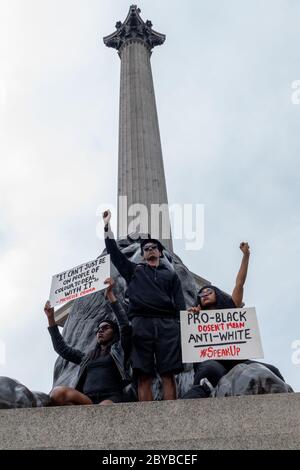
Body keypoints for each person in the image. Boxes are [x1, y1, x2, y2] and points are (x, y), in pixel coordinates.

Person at [103, 209, 186, 401]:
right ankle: (146, 419)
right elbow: (114, 253)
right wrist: (107, 227)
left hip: (167, 325)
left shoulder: (171, 275)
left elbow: (180, 304)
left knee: (168, 373)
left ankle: (173, 414)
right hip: (140, 324)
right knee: (143, 374)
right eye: (146, 248)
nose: (150, 249)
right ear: (142, 255)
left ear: (159, 252)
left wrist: (182, 326)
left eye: (153, 247)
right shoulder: (134, 271)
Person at [184, 242, 284, 399]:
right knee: (209, 371)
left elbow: (240, 283)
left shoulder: (231, 308)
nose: (205, 294)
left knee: (272, 370)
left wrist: (246, 256)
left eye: (208, 291)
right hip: (213, 361)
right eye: (201, 294)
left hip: (238, 360)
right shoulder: (196, 316)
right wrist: (194, 316)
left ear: (217, 293)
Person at [45, 277, 132, 406]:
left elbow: (124, 326)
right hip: (87, 400)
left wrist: (110, 295)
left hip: (110, 398)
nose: (100, 331)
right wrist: (51, 318)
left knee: (104, 407)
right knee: (57, 393)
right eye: (98, 329)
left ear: (114, 332)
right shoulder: (87, 357)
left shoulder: (120, 350)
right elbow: (61, 349)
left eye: (105, 328)